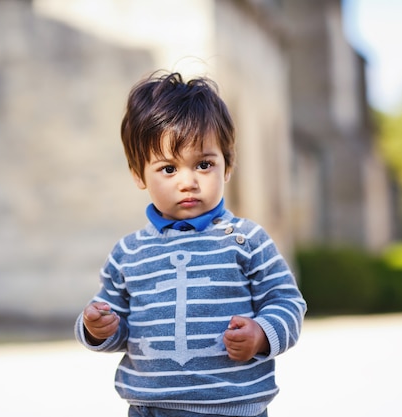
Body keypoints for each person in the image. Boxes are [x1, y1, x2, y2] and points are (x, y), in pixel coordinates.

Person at [75, 71, 306, 417]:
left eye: (204, 164)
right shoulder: (128, 254)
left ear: (227, 166)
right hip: (150, 409)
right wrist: (96, 328)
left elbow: (287, 302)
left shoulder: (247, 241)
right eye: (168, 169)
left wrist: (261, 333)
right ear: (139, 175)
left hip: (231, 408)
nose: (188, 182)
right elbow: (115, 322)